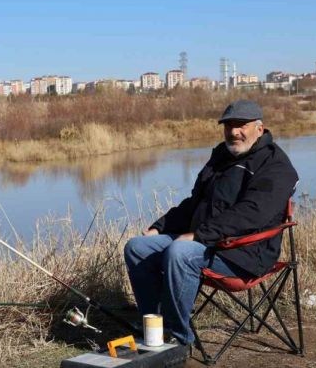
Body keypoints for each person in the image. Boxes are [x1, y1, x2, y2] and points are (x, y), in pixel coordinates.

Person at [123, 99, 298, 347]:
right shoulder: (221, 156)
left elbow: (252, 214)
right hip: (209, 244)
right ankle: (153, 327)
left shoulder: (276, 166)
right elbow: (196, 202)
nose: (233, 132)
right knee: (137, 247)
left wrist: (198, 236)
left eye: (241, 125)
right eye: (228, 126)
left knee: (180, 252)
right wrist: (160, 226)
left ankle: (177, 338)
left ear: (259, 129)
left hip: (244, 254)